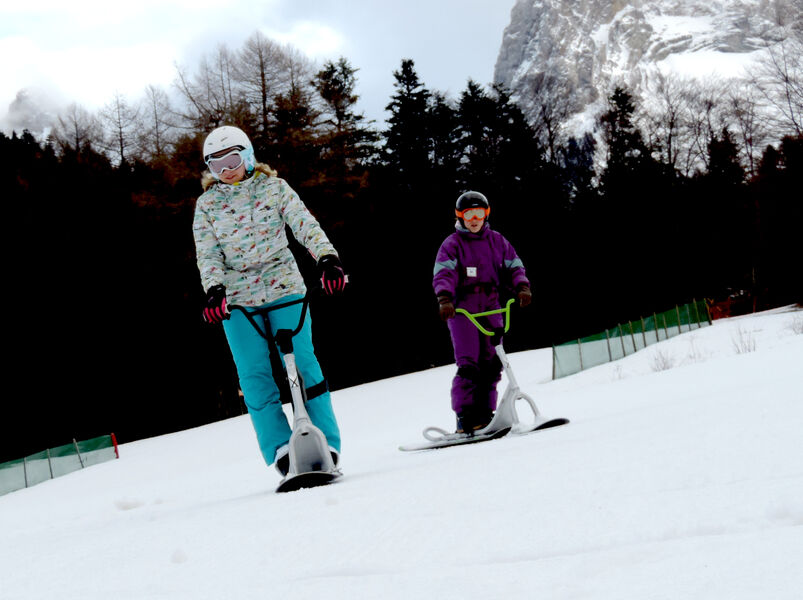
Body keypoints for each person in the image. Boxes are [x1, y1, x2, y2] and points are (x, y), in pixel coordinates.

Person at [193, 125, 345, 475]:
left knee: (304, 366)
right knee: (253, 376)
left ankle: (327, 441)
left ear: (247, 155)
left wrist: (326, 258)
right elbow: (208, 253)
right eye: (216, 165)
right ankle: (280, 449)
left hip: (285, 287)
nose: (226, 169)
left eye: (231, 159)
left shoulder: (275, 188)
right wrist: (214, 289)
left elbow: (304, 224)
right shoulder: (207, 205)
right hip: (238, 301)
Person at [432, 191, 532, 433]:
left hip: (492, 306)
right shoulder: (452, 244)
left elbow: (514, 265)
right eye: (469, 214)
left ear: (486, 215)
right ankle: (466, 416)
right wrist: (445, 298)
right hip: (463, 312)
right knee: (469, 364)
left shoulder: (497, 241)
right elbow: (444, 272)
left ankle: (486, 414)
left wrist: (522, 286)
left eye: (479, 213)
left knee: (493, 362)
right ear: (460, 217)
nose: (474, 219)